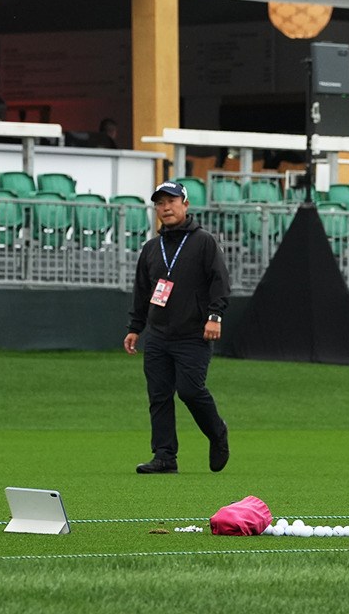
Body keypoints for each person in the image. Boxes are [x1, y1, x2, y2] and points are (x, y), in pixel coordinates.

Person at [124, 180, 230, 475]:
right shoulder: (151, 248)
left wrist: (215, 316)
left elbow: (220, 281)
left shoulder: (204, 241)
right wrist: (135, 327)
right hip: (158, 335)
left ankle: (217, 432)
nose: (165, 207)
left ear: (185, 204)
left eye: (171, 201)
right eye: (160, 203)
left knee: (190, 390)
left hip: (193, 333)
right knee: (158, 394)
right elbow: (142, 291)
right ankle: (164, 455)